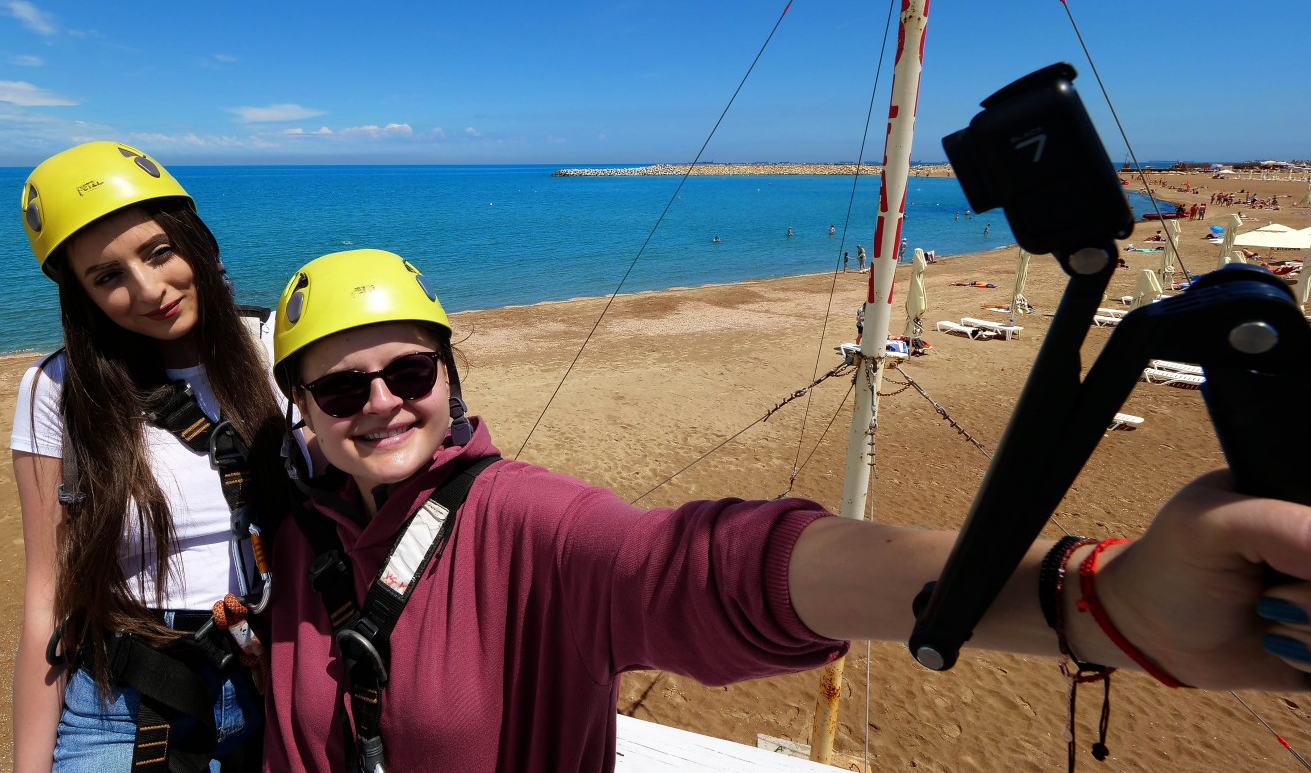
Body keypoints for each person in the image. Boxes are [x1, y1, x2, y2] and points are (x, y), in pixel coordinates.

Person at [260, 248, 1311, 773]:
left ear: (449, 374)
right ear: (301, 410)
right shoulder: (293, 534)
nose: (383, 402)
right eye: (341, 389)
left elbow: (711, 566)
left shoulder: (525, 525)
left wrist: (1095, 596)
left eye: (408, 369)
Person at [9, 142, 290, 773]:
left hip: (277, 685)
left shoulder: (277, 350)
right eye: (107, 277)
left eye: (159, 251)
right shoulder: (57, 391)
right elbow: (46, 597)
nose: (148, 289)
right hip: (123, 705)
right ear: (80, 294)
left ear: (196, 240)